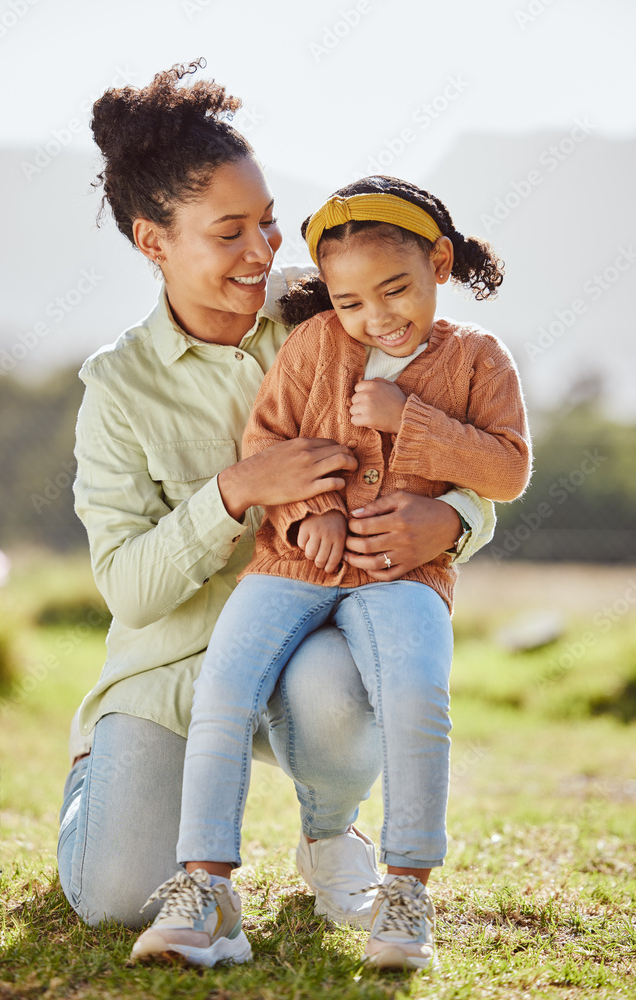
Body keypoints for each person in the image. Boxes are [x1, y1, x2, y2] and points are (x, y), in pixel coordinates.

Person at [58, 62, 496, 940]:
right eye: (230, 233)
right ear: (155, 242)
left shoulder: (334, 306)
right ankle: (97, 779)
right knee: (114, 901)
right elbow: (132, 592)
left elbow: (455, 438)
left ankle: (330, 831)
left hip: (318, 641)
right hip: (173, 672)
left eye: (265, 223)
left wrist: (455, 520)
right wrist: (236, 491)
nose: (262, 252)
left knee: (335, 694)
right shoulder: (116, 387)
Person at [130, 174, 531, 972]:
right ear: (329, 300)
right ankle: (203, 888)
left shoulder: (479, 358)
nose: (376, 317)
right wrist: (301, 514)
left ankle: (406, 891)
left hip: (400, 577)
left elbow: (508, 468)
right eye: (350, 302)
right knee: (224, 689)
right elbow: (264, 445)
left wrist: (408, 422)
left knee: (418, 696)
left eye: (396, 291)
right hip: (290, 565)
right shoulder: (314, 347)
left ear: (439, 263)